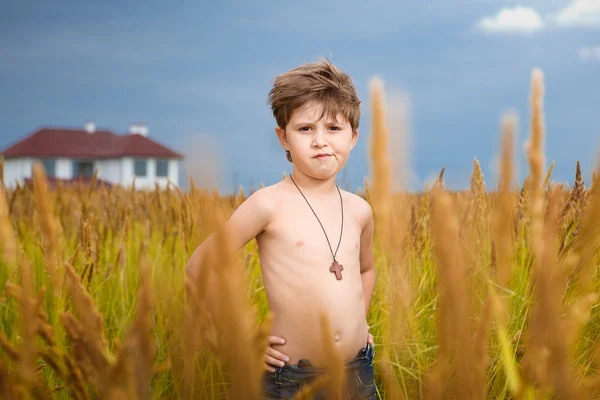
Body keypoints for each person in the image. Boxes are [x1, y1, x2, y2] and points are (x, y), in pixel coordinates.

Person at [185, 58, 377, 399]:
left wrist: (358, 324)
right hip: (291, 376)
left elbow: (365, 269)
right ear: (283, 137)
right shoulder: (267, 205)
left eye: (333, 129)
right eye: (305, 129)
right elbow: (198, 268)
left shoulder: (360, 210)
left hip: (355, 370)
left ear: (354, 136)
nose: (320, 141)